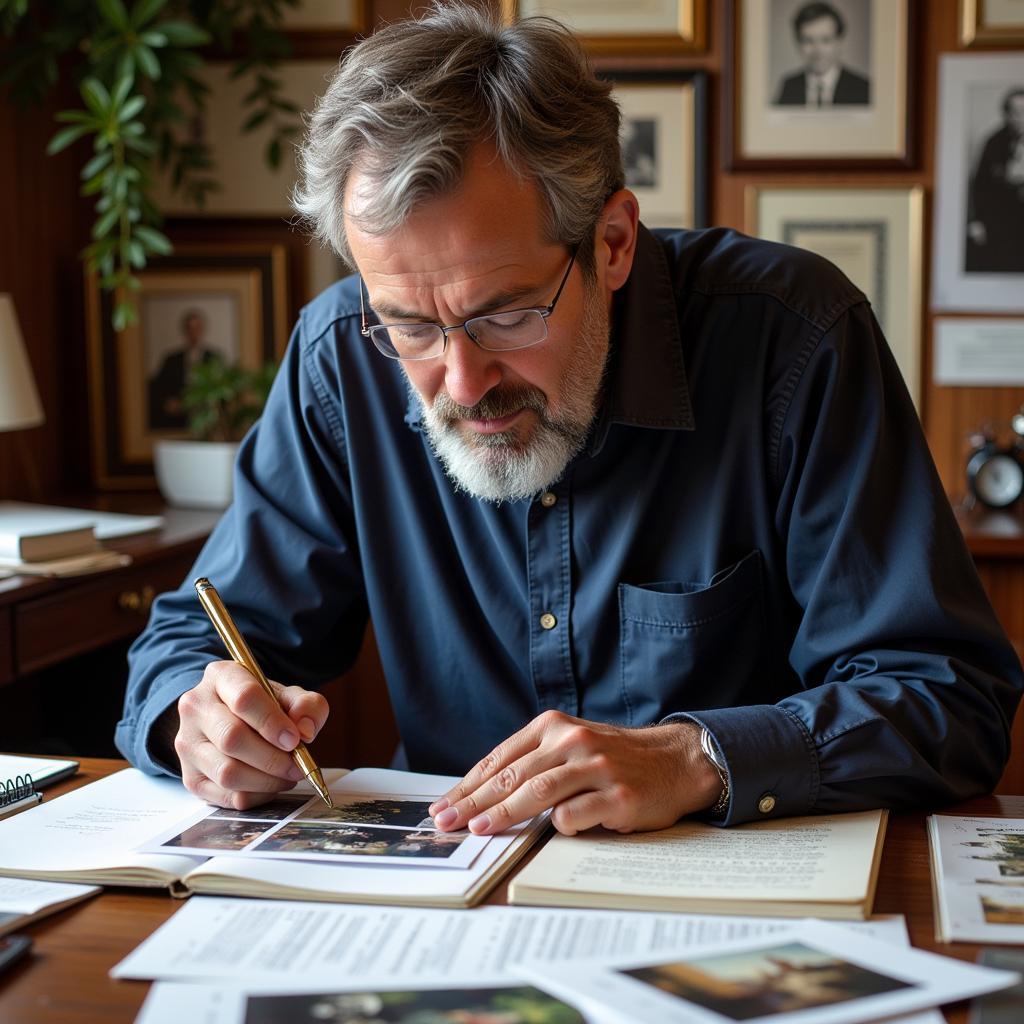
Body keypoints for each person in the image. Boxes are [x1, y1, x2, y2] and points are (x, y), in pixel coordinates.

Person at [117, 3, 1022, 836]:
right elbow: (194, 643)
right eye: (410, 325)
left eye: (508, 313)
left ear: (614, 242)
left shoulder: (793, 341)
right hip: (443, 902)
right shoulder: (338, 359)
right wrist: (199, 717)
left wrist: (702, 756)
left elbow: (949, 695)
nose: (463, 382)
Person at [966, 87, 1024, 274]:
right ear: (1006, 115)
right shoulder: (994, 142)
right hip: (1002, 223)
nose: (1020, 118)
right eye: (1015, 113)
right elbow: (979, 184)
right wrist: (976, 221)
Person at [774, 2, 870, 107]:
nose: (817, 50)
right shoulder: (789, 87)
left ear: (840, 42)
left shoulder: (863, 88)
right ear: (798, 43)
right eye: (808, 41)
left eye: (825, 40)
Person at [148, 308, 218, 430]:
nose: (194, 333)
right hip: (177, 419)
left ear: (202, 330)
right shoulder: (171, 359)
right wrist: (168, 403)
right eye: (190, 329)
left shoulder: (214, 358)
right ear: (185, 331)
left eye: (197, 328)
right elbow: (158, 388)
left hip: (206, 417)